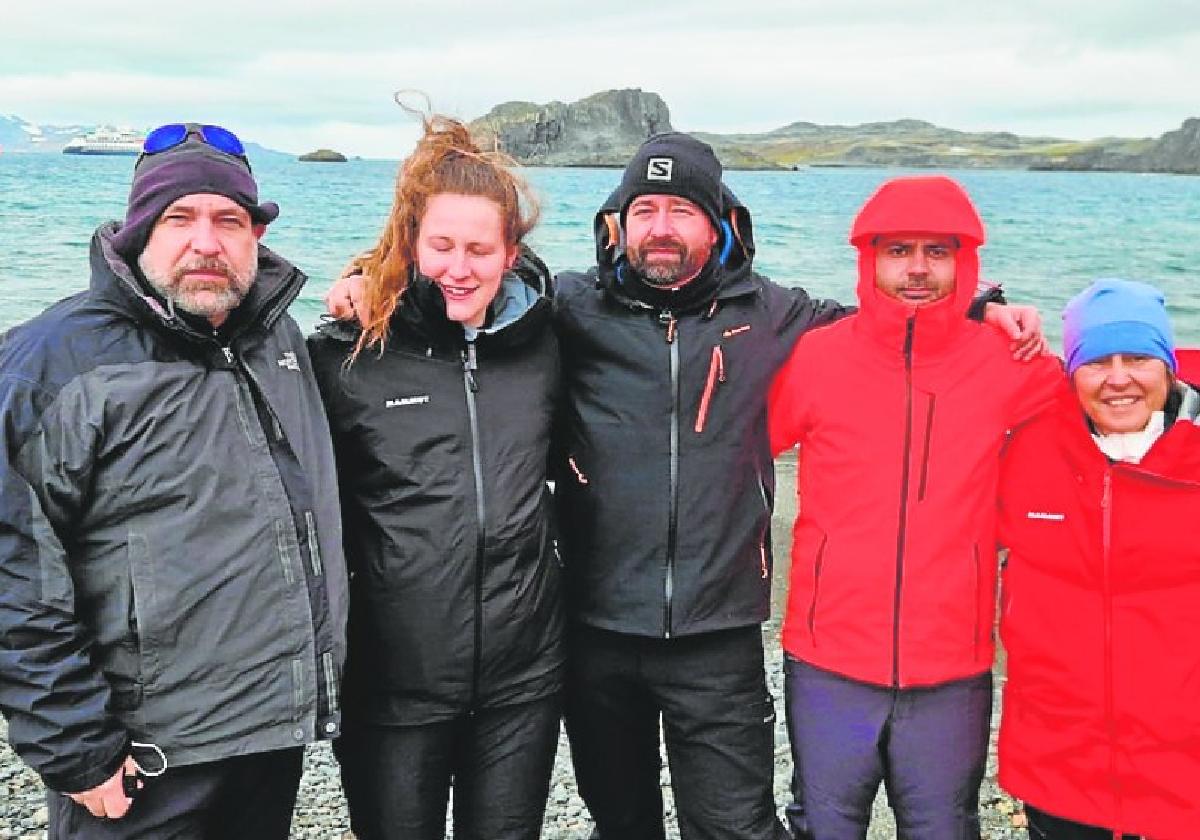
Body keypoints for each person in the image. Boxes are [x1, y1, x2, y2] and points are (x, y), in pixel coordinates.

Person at [326, 134, 1040, 840]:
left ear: (720, 223)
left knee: (735, 826)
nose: (661, 228)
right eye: (644, 210)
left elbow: (887, 321)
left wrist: (983, 306)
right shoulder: (570, 310)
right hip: (594, 628)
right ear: (617, 223)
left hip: (718, 631)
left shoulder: (770, 315)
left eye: (681, 210)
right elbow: (478, 278)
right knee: (623, 820)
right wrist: (369, 278)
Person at [0, 123, 346, 839]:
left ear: (256, 234)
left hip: (267, 738)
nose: (206, 241)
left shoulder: (276, 340)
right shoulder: (53, 362)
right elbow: (12, 568)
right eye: (178, 218)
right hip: (140, 761)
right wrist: (73, 744)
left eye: (229, 220)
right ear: (136, 234)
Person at [768, 175, 1063, 839]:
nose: (918, 269)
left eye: (938, 251)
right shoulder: (819, 356)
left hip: (951, 660)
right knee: (826, 823)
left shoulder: (1007, 359)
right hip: (828, 654)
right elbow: (736, 443)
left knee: (941, 826)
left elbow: (1108, 413)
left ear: (967, 262)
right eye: (898, 250)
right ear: (868, 259)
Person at [307, 115, 563, 840]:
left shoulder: (546, 343)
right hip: (393, 686)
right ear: (411, 245)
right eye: (441, 245)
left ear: (510, 254)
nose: (460, 267)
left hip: (523, 683)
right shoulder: (347, 357)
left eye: (480, 249)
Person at [997, 279, 1200, 840]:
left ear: (1169, 367)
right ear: (1070, 372)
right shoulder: (1027, 445)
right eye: (1096, 362)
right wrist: (982, 308)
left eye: (1138, 358)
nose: (1118, 379)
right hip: (1060, 761)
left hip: (1184, 771)